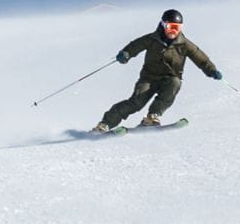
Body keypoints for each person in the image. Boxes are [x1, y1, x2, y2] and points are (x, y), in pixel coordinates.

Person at [94, 9, 223, 133]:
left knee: (175, 83)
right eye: (170, 27)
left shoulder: (184, 44)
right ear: (163, 25)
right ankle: (105, 124)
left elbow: (200, 58)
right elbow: (135, 45)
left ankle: (152, 117)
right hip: (149, 78)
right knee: (136, 103)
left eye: (177, 27)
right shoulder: (152, 39)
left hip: (169, 78)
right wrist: (125, 54)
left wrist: (212, 70)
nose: (173, 31)